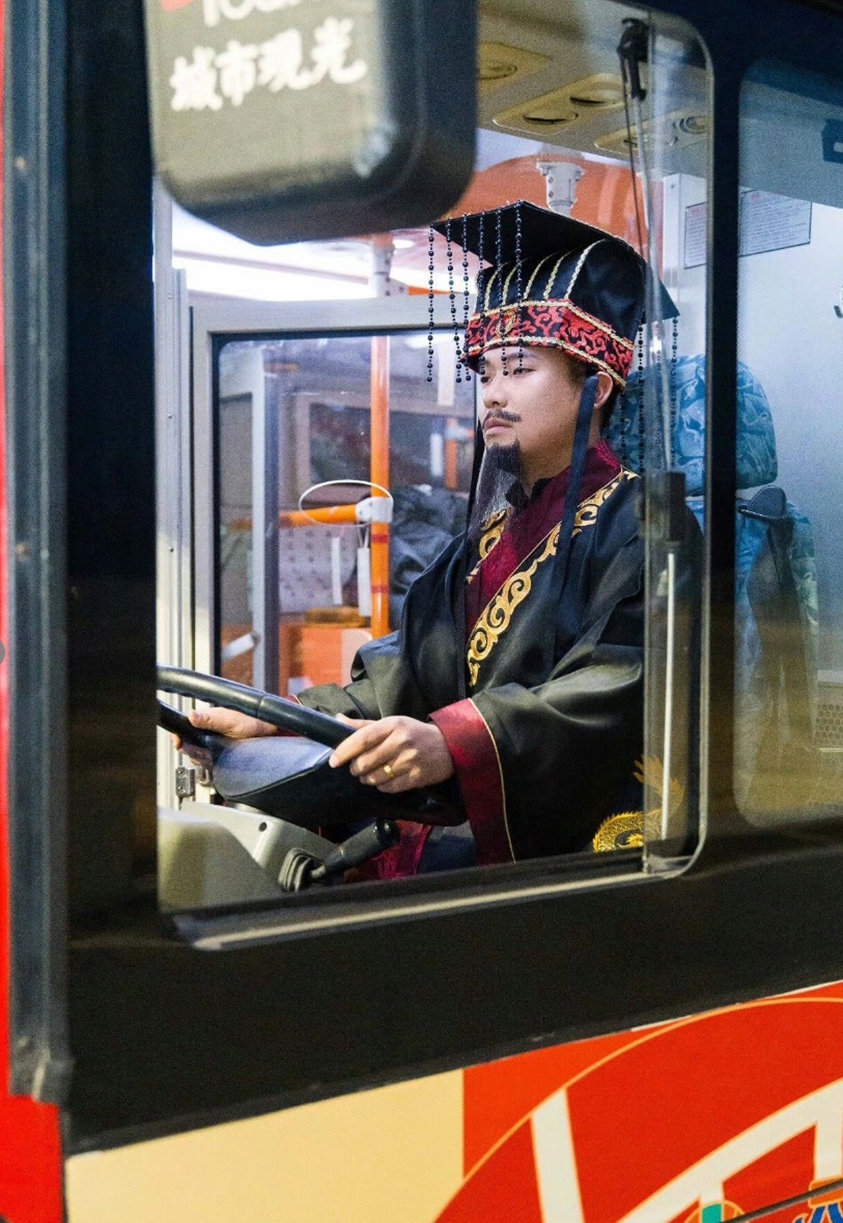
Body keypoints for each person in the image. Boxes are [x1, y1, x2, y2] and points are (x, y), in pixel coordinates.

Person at [182, 202, 683, 876]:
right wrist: (276, 721)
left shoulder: (646, 521)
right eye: (484, 374)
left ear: (594, 386)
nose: (492, 397)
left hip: (574, 848)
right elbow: (402, 669)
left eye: (518, 369)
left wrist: (455, 740)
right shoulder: (485, 538)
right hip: (455, 828)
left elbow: (616, 685)